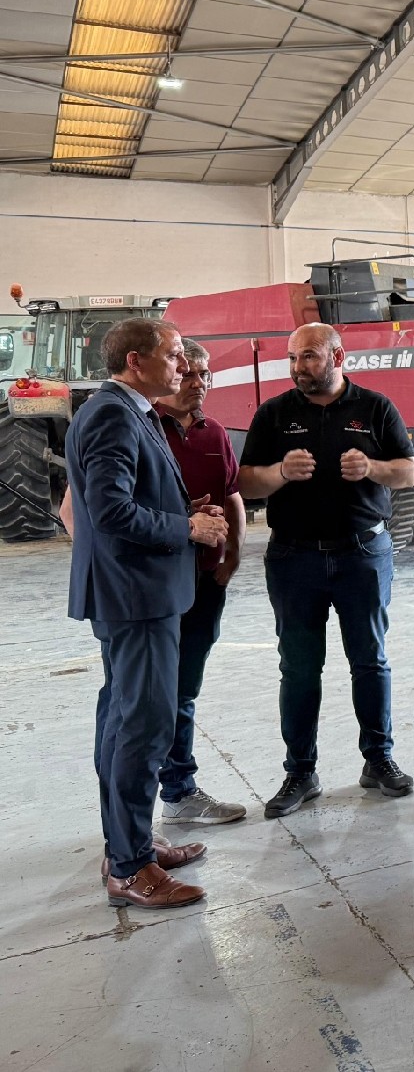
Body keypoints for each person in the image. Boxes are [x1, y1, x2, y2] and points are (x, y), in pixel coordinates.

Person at [66, 318, 226, 908]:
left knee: (122, 719)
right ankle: (131, 868)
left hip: (133, 594)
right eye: (175, 354)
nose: (183, 365)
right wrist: (187, 528)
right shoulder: (113, 414)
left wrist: (183, 510)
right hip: (137, 597)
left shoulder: (128, 410)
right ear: (136, 361)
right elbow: (109, 511)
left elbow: (130, 496)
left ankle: (126, 843)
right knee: (144, 725)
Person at [238, 324, 414, 818]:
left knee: (370, 660)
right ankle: (300, 771)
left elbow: (410, 471)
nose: (298, 367)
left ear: (338, 357)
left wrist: (373, 468)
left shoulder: (375, 408)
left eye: (309, 357)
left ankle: (378, 759)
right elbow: (246, 482)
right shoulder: (274, 413)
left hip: (362, 554)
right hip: (294, 558)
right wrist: (279, 473)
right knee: (299, 668)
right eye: (293, 358)